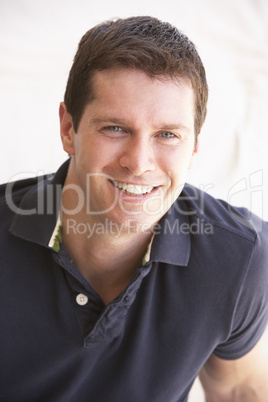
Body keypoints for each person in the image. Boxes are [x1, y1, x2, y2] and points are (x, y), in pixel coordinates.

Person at [1, 15, 268, 402]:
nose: (139, 162)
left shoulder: (240, 258)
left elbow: (240, 391)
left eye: (167, 135)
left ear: (193, 147)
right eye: (115, 128)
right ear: (68, 129)